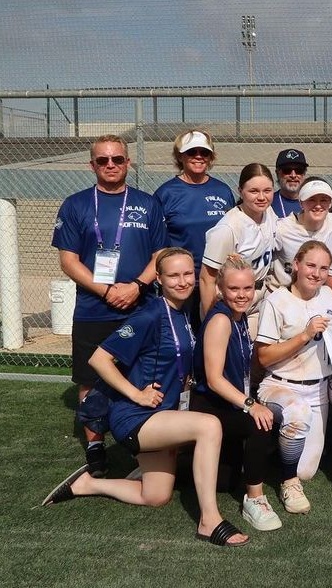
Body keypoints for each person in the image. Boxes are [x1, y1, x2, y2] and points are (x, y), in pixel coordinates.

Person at [42, 248, 249, 548]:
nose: (182, 281)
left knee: (155, 495)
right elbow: (99, 359)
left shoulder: (183, 311)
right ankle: (209, 520)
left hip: (163, 415)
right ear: (160, 280)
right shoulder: (151, 313)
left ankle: (87, 484)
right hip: (137, 417)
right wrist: (136, 393)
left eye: (187, 274)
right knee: (209, 426)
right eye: (173, 275)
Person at [52, 134, 167, 477]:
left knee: (141, 374)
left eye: (117, 159)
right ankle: (95, 445)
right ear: (92, 165)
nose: (111, 165)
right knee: (90, 380)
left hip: (139, 305)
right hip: (93, 309)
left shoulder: (147, 204)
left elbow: (159, 254)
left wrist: (136, 286)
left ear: (128, 162)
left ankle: (139, 441)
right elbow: (69, 261)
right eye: (103, 160)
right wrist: (106, 291)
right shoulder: (75, 205)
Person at [191, 256, 282, 531]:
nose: (242, 295)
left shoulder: (239, 316)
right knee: (260, 422)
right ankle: (255, 500)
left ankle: (173, 466)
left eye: (247, 288)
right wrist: (250, 404)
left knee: (226, 481)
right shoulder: (221, 320)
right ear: (220, 289)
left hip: (228, 402)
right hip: (209, 403)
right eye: (234, 289)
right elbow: (214, 379)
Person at [255, 241, 332, 514]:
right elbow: (263, 357)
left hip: (319, 388)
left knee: (307, 470)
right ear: (296, 265)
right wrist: (304, 334)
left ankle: (276, 447)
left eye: (324, 268)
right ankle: (288, 482)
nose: (317, 273)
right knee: (297, 415)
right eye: (311, 265)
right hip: (280, 384)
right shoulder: (277, 300)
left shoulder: (327, 296)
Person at [153, 130, 234, 329]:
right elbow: (157, 244)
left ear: (211, 157)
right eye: (191, 152)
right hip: (181, 284)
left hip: (216, 282)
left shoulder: (222, 191)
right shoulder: (166, 193)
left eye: (204, 152)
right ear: (180, 156)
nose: (198, 156)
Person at [200, 163, 278, 327]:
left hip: (259, 296)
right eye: (253, 191)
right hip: (232, 302)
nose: (262, 197)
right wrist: (210, 322)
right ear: (240, 191)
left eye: (267, 190)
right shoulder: (228, 228)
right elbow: (207, 278)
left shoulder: (268, 213)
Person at [270, 177, 332, 289]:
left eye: (324, 200)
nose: (318, 206)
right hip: (283, 292)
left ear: (330, 203)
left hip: (318, 292)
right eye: (311, 200)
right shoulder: (282, 229)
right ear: (301, 203)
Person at [272, 148, 309, 218]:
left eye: (299, 170)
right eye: (287, 170)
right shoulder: (268, 203)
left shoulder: (313, 201)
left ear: (304, 174)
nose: (293, 175)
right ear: (277, 173)